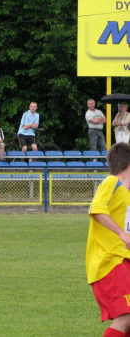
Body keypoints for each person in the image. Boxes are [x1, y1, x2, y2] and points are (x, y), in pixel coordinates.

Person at [85, 143, 130, 337]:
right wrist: (121, 233)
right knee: (125, 316)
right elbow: (96, 209)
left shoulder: (126, 194)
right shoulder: (111, 182)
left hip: (123, 260)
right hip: (109, 261)